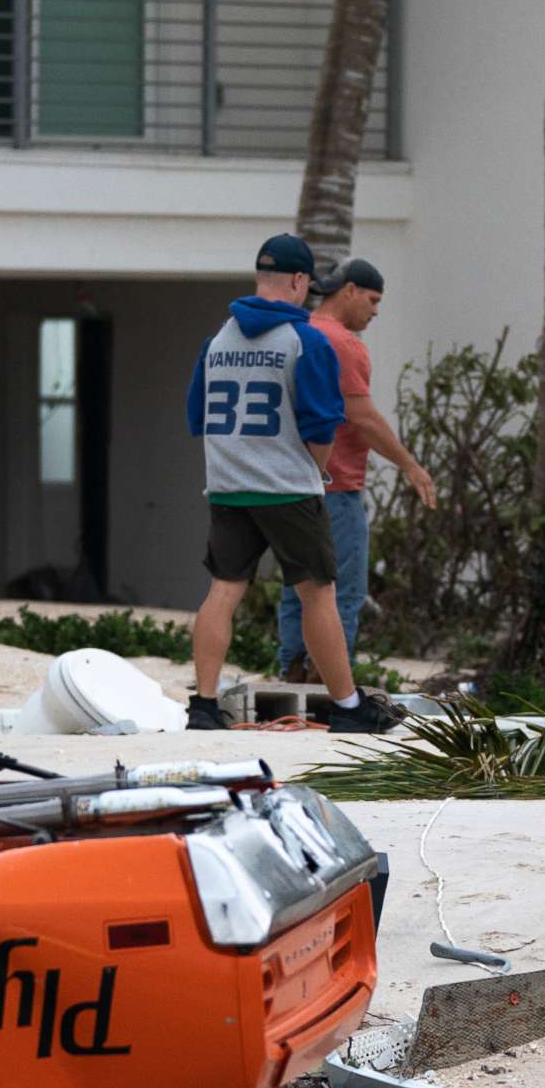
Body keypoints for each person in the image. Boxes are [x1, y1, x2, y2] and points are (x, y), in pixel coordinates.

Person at [182, 233, 396, 735]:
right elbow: (323, 425)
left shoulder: (217, 342)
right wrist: (313, 469)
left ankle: (205, 706)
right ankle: (346, 706)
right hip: (287, 486)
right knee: (317, 593)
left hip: (228, 487)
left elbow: (197, 417)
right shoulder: (306, 341)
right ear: (300, 281)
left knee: (223, 589)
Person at [274, 258, 436, 681]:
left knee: (298, 590)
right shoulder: (341, 342)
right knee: (342, 591)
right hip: (336, 486)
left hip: (289, 486)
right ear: (347, 290)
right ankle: (330, 684)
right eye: (372, 299)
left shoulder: (298, 332)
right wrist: (411, 466)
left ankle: (293, 675)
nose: (376, 311)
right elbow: (361, 418)